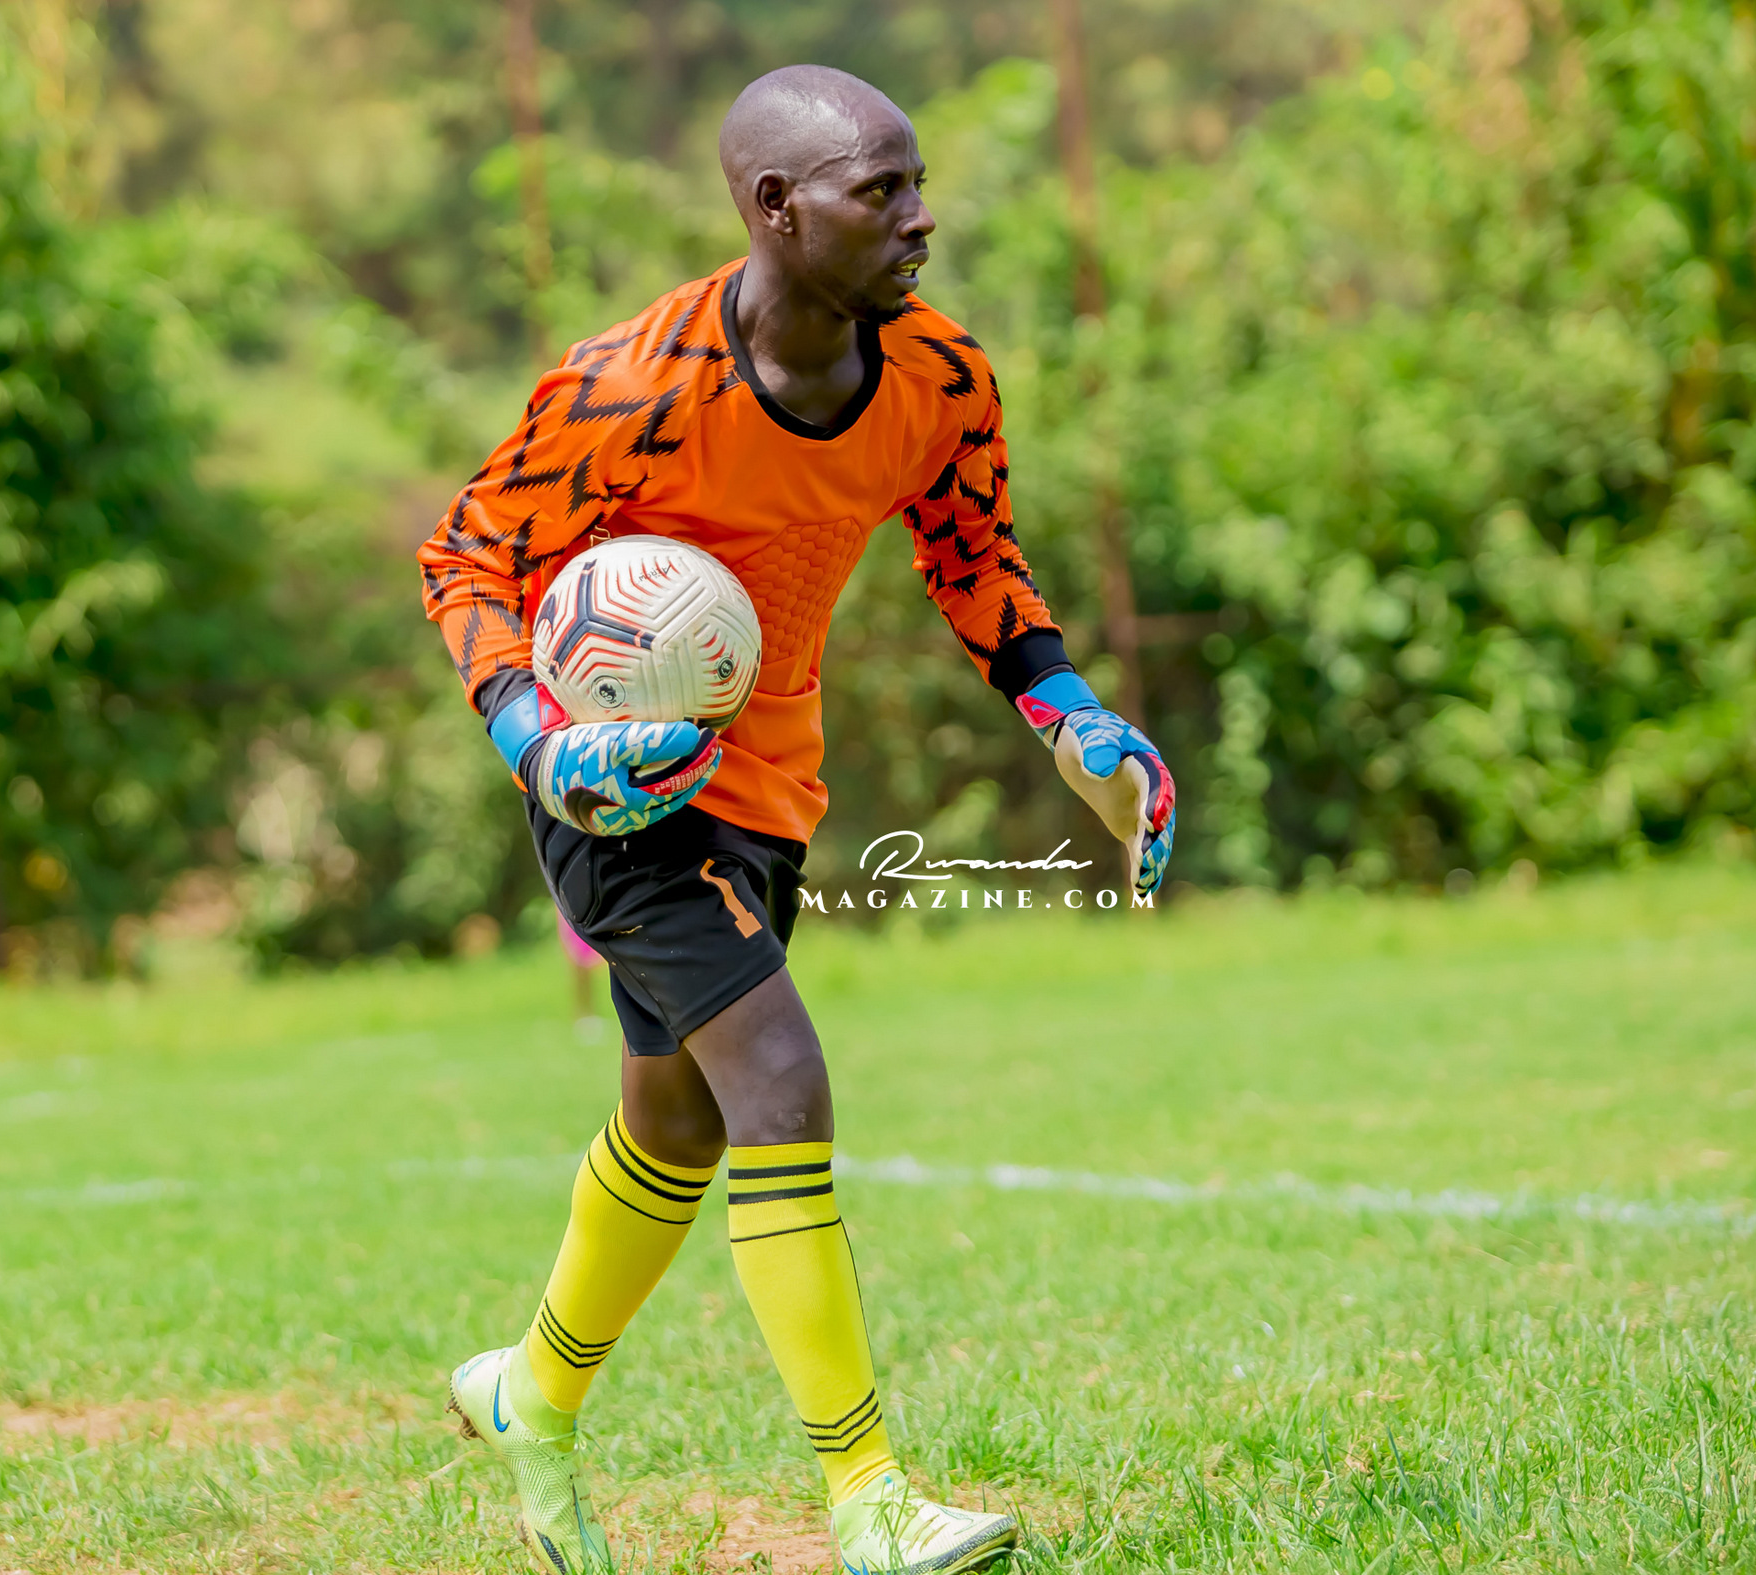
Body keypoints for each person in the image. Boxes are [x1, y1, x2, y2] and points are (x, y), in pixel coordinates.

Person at [416, 63, 1175, 1575]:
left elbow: (975, 560)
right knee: (779, 1081)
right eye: (880, 191)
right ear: (776, 207)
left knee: (679, 1122)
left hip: (773, 790)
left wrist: (1073, 716)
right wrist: (538, 745)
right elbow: (466, 553)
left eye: (917, 185)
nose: (920, 217)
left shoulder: (942, 378)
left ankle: (529, 1394)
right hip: (619, 793)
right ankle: (868, 1498)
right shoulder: (633, 389)